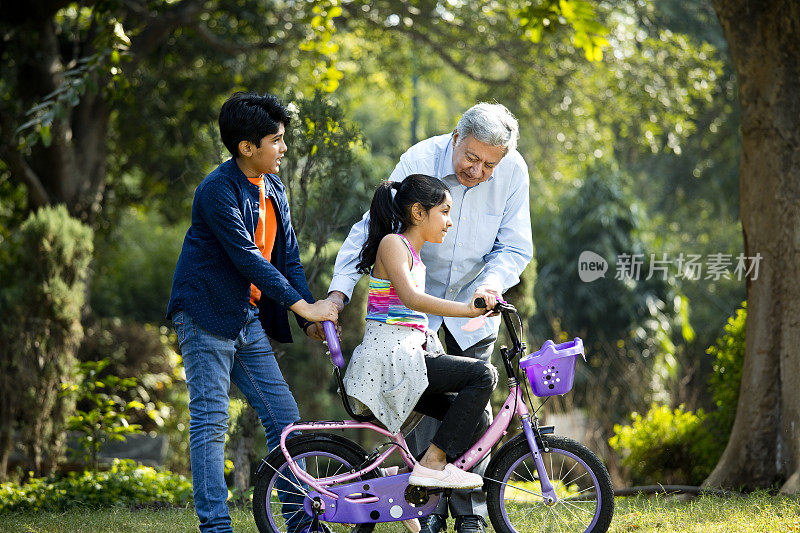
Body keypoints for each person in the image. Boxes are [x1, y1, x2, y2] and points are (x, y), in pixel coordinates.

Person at [329, 102, 533, 533]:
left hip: (477, 305)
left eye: (489, 164)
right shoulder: (420, 161)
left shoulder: (513, 171)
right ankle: (427, 510)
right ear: (456, 136)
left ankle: (471, 516)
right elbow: (371, 229)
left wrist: (490, 285)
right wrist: (338, 295)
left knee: (471, 415)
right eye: (471, 158)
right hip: (419, 310)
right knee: (434, 412)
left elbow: (515, 246)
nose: (477, 171)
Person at [166, 91, 338, 533]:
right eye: (276, 140)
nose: (283, 149)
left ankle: (299, 519)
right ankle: (216, 526)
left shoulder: (274, 187)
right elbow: (250, 260)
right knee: (210, 420)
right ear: (247, 147)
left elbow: (288, 260)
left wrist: (308, 317)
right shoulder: (217, 192)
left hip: (245, 317)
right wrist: (305, 305)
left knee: (284, 418)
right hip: (204, 313)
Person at [343, 174, 498, 531]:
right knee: (482, 375)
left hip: (407, 354)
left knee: (476, 419)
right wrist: (468, 309)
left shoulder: (414, 254)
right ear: (418, 211)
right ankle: (431, 464)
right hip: (391, 358)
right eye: (443, 211)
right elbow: (412, 300)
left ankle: (403, 477)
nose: (449, 220)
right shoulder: (393, 244)